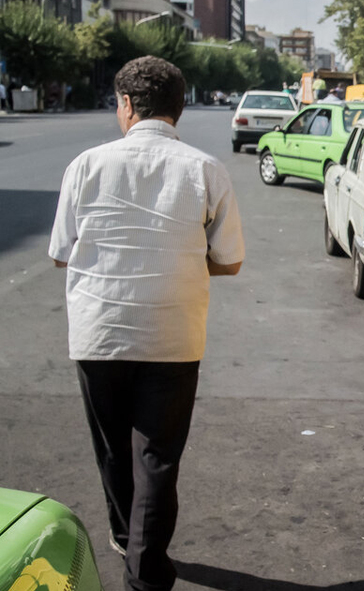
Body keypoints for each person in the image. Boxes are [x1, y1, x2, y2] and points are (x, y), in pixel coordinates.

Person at [49, 56, 244, 591]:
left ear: (127, 104)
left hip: (99, 332)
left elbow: (62, 253)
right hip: (173, 336)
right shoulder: (206, 170)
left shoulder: (85, 165)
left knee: (113, 451)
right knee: (157, 458)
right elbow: (229, 261)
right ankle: (146, 570)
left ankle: (125, 538)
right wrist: (180, 258)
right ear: (179, 108)